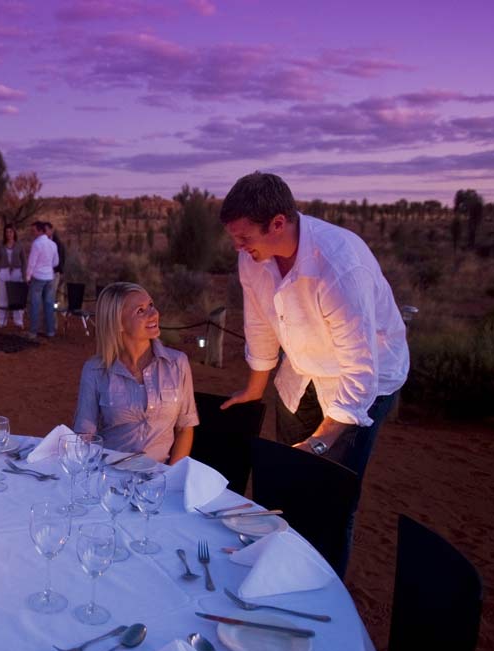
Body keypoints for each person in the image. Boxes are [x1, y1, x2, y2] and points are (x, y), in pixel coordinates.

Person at [219, 172, 408, 571]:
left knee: (329, 492)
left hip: (362, 383)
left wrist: (319, 443)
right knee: (289, 482)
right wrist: (255, 389)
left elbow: (360, 368)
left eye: (244, 237)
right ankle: (284, 570)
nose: (238, 247)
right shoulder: (252, 259)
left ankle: (324, 582)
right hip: (302, 374)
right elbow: (259, 323)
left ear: (278, 223)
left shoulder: (338, 265)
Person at [73, 282, 198, 464]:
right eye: (140, 311)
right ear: (118, 323)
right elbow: (85, 435)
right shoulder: (95, 370)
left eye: (151, 305)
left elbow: (185, 428)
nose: (153, 314)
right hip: (109, 474)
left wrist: (171, 477)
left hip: (159, 477)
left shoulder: (177, 364)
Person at [23, 220, 59, 338]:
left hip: (38, 277)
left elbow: (32, 262)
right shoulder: (53, 244)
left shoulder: (37, 244)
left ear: (40, 230)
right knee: (49, 304)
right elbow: (56, 262)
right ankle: (50, 331)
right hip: (49, 277)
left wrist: (28, 276)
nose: (32, 233)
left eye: (34, 230)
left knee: (35, 304)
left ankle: (33, 331)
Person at [0, 225, 26, 328]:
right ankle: (2, 321)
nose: (9, 234)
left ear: (14, 233)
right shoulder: (1, 246)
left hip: (16, 272)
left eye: (11, 232)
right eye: (7, 232)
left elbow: (24, 261)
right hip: (4, 272)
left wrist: (24, 273)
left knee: (16, 297)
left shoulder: (19, 245)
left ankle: (18, 321)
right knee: (3, 297)